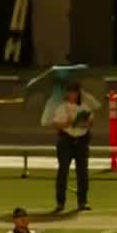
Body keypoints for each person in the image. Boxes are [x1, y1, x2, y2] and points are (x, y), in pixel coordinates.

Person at [49, 82, 97, 213]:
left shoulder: (84, 106)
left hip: (81, 140)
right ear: (66, 93)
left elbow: (91, 122)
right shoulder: (61, 107)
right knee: (63, 170)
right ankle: (60, 202)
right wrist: (67, 123)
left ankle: (82, 201)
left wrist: (83, 123)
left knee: (82, 172)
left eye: (75, 92)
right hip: (66, 140)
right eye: (70, 92)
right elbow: (55, 124)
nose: (72, 94)